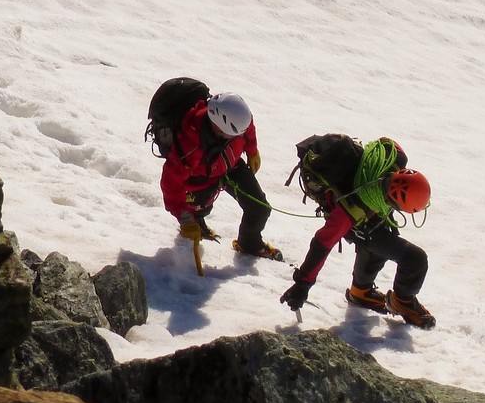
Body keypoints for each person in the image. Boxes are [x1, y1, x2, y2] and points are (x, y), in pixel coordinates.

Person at [280, 137, 435, 328]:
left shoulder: (394, 161)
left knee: (378, 235)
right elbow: (322, 242)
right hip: (357, 222)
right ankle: (402, 302)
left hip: (366, 218)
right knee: (414, 259)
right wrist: (302, 284)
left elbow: (386, 143)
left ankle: (360, 292)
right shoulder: (351, 209)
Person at [160, 92, 281, 259]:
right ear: (218, 128)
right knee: (201, 208)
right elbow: (171, 184)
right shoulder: (189, 146)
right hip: (200, 178)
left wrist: (252, 150)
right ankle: (197, 224)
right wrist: (186, 219)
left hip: (229, 164)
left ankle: (250, 243)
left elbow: (247, 126)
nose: (239, 137)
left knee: (259, 207)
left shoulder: (235, 118)